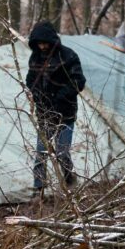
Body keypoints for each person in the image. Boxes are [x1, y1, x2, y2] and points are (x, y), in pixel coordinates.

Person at [25, 20, 86, 191]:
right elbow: (31, 79)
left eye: (45, 43)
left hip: (65, 114)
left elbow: (78, 81)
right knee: (41, 153)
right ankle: (39, 189)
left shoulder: (68, 56)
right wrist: (35, 93)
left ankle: (70, 184)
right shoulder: (35, 57)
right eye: (39, 43)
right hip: (44, 114)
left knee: (62, 153)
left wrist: (60, 96)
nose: (42, 46)